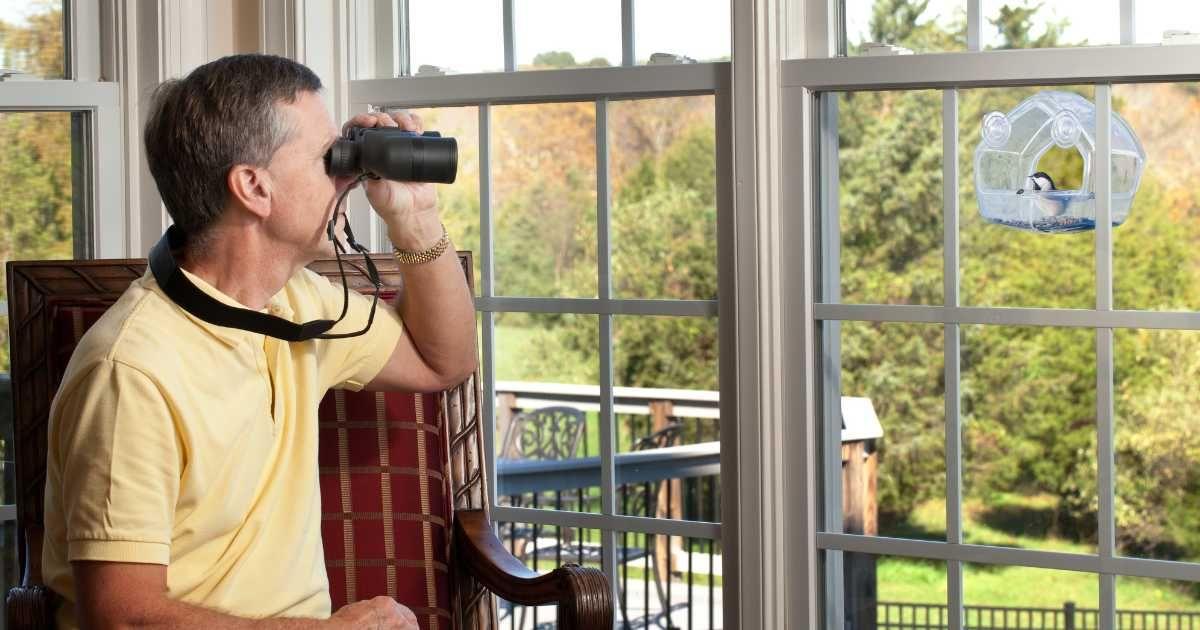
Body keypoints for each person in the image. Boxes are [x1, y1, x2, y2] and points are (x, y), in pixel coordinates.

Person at [40, 54, 477, 629]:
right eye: (330, 157)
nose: (349, 173)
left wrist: (416, 219)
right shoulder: (131, 370)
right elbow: (121, 617)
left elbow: (443, 363)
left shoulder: (298, 302)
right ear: (253, 187)